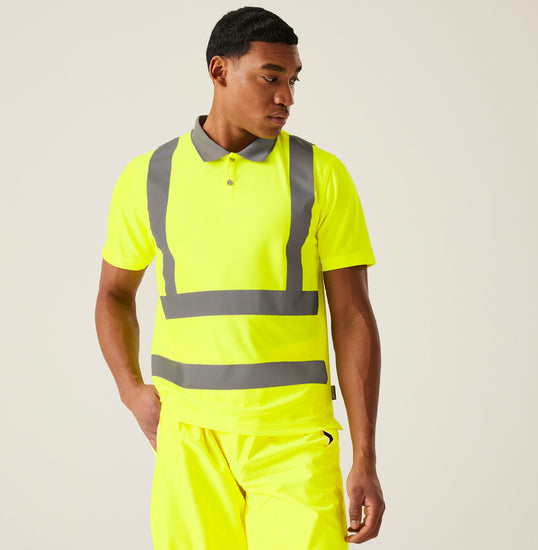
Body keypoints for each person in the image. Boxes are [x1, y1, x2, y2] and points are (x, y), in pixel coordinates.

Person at [95, 6, 384, 549]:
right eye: (271, 78)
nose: (286, 97)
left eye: (293, 81)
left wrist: (365, 456)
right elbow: (113, 293)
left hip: (294, 438)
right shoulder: (150, 176)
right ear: (219, 71)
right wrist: (130, 390)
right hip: (189, 438)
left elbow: (352, 317)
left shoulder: (321, 175)